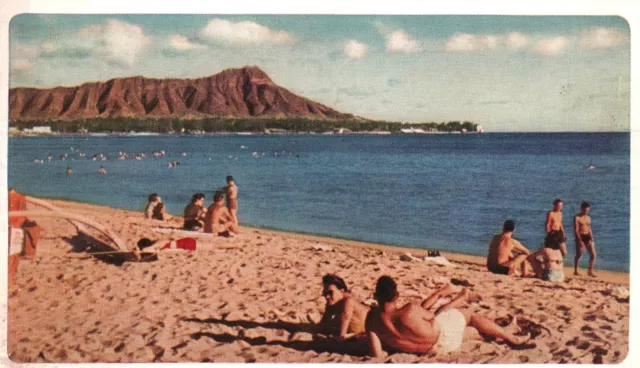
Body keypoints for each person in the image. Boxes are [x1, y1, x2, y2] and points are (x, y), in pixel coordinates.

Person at [365, 276, 530, 357]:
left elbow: (377, 354)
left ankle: (500, 332)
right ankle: (512, 338)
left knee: (470, 332)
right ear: (397, 295)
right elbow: (435, 317)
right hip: (442, 337)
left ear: (375, 295)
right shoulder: (410, 309)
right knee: (468, 315)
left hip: (432, 351)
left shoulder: (371, 321)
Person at [316, 274, 370, 339]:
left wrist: (341, 336)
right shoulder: (334, 304)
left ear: (342, 291)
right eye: (325, 293)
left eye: (330, 293)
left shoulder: (348, 301)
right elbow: (322, 327)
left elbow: (345, 318)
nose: (327, 296)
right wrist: (328, 311)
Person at [574, 201, 596, 277]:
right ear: (581, 209)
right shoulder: (577, 217)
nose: (586, 212)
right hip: (580, 236)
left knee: (593, 254)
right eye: (585, 210)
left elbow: (589, 228)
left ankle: (590, 271)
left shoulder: (588, 218)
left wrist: (592, 237)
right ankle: (576, 271)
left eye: (587, 210)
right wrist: (580, 241)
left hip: (588, 236)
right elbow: (576, 230)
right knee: (579, 254)